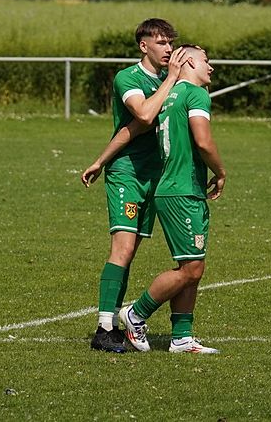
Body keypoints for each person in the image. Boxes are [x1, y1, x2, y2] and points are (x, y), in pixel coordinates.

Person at [83, 45, 226, 354]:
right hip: (181, 189)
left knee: (192, 265)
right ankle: (135, 314)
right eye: (206, 61)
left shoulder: (167, 95)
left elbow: (133, 128)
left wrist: (99, 160)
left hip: (168, 186)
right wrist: (221, 171)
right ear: (189, 63)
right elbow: (203, 141)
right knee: (191, 269)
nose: (211, 67)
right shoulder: (193, 94)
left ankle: (182, 337)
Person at [87, 18, 186, 353]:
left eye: (171, 43)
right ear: (144, 46)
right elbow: (142, 116)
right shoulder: (128, 78)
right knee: (122, 249)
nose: (168, 49)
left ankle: (114, 323)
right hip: (127, 173)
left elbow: (138, 129)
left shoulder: (170, 79)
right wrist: (171, 79)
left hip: (156, 175)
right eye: (161, 43)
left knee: (130, 253)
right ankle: (104, 328)